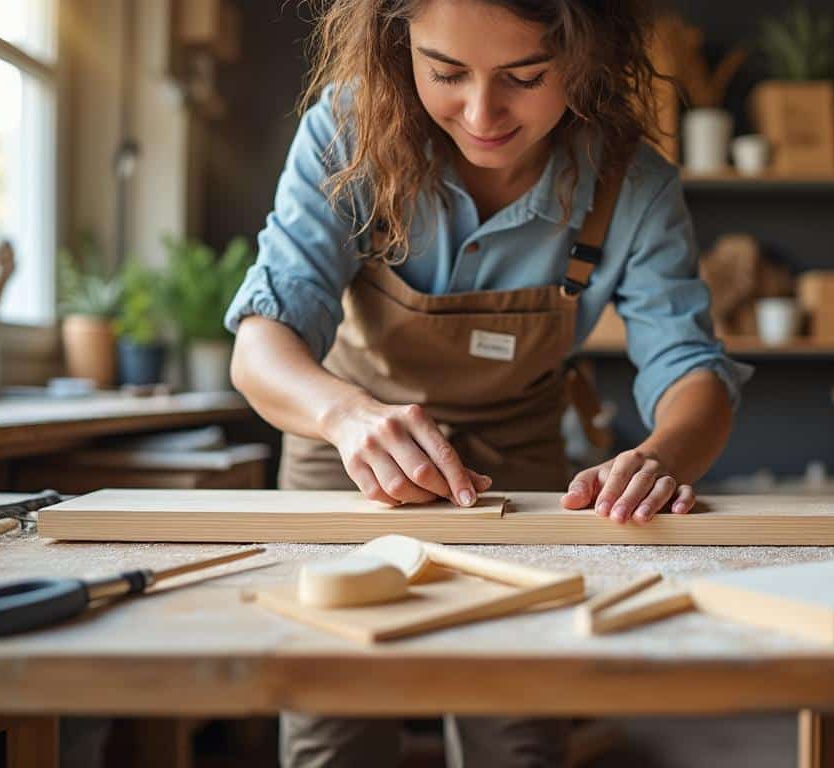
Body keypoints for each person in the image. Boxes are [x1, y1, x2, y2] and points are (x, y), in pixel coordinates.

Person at [224, 0, 751, 764]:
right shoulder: (345, 133)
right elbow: (261, 345)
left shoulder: (630, 182)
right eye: (445, 73)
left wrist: (664, 457)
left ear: (585, 52)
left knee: (518, 734)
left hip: (522, 472)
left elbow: (689, 370)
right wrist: (345, 416)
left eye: (526, 76)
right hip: (345, 462)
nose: (481, 112)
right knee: (334, 729)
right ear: (398, 46)